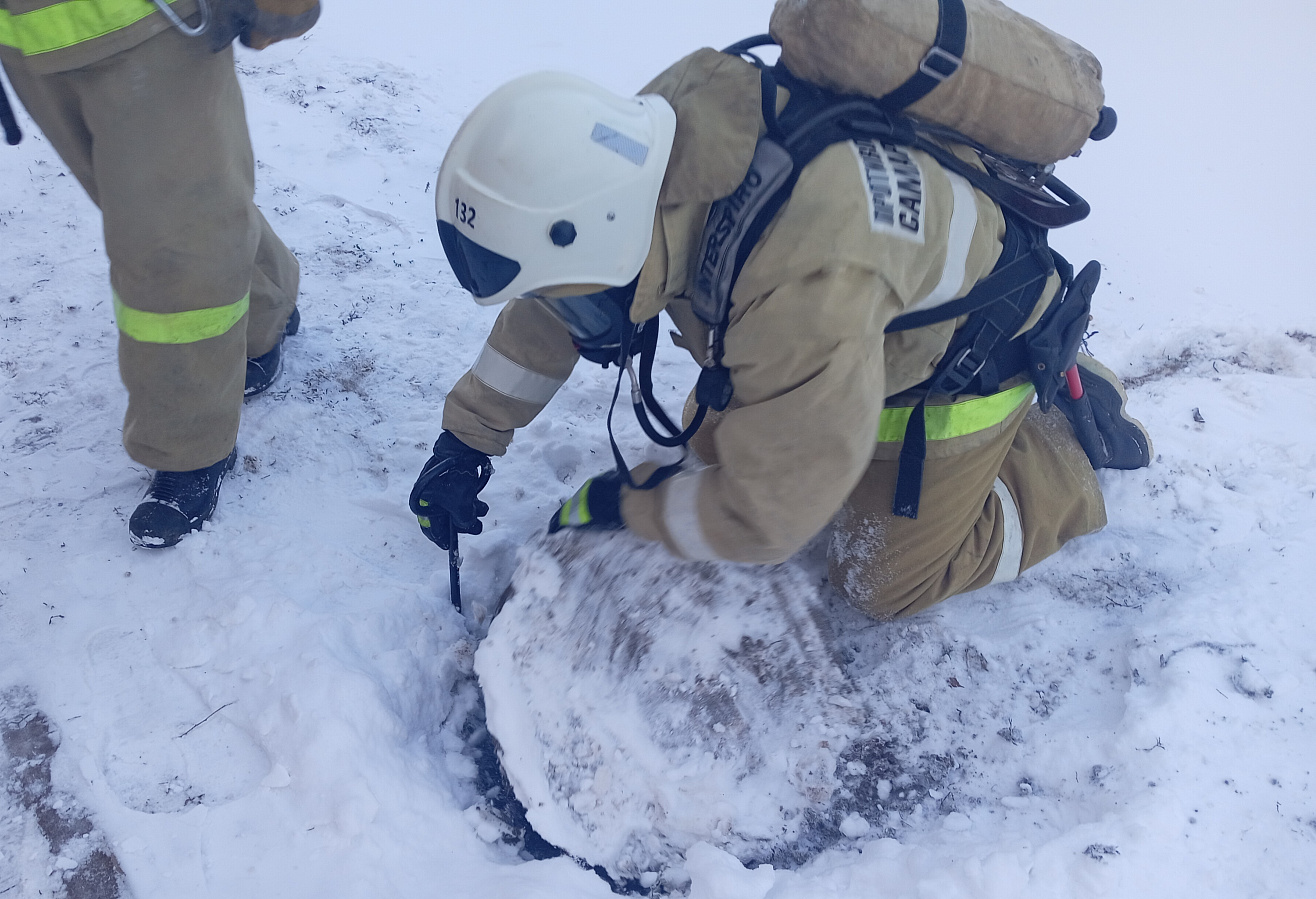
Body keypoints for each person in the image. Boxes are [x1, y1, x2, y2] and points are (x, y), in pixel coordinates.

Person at [409, 48, 1153, 620]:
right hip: (870, 313)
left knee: (880, 580)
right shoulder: (655, 142)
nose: (572, 321)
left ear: (606, 240)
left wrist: (623, 504)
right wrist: (467, 441)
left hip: (970, 353)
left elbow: (767, 517)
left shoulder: (803, 282)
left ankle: (1063, 447)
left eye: (579, 302)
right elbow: (553, 295)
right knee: (713, 450)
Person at [0, 0, 317, 547]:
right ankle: (267, 301)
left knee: (171, 250)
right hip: (22, 32)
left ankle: (189, 443)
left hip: (153, 26)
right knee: (172, 215)